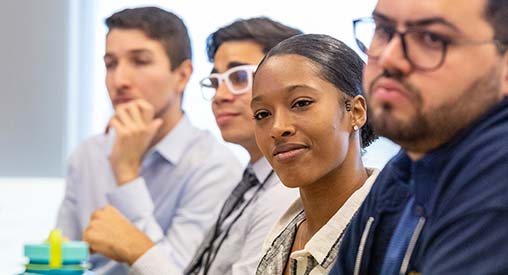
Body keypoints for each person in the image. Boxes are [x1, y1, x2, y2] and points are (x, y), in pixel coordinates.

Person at [56, 7, 242, 274]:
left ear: (182, 75)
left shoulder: (214, 167)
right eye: (111, 64)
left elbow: (178, 271)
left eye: (140, 61)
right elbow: (61, 260)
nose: (119, 80)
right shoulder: (87, 154)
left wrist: (127, 174)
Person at [330, 0, 508, 274]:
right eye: (384, 30)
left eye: (431, 38)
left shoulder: (498, 175)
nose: (389, 58)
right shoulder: (405, 166)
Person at [126, 17, 302, 275]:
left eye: (239, 77)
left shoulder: (287, 192)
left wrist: (133, 247)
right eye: (216, 82)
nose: (220, 96)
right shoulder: (252, 181)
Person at [251, 33, 379, 274]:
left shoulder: (388, 236)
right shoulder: (281, 236)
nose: (278, 128)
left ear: (356, 111)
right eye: (262, 114)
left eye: (301, 103)